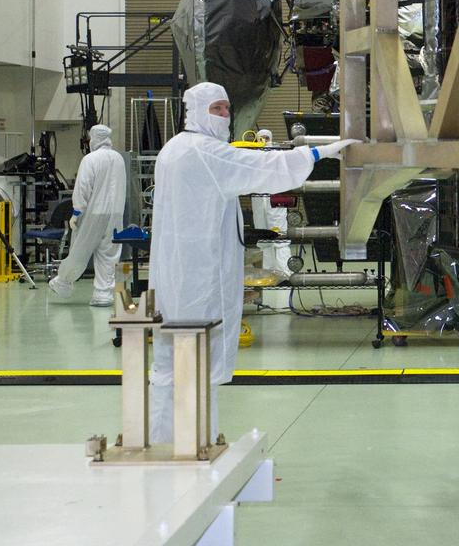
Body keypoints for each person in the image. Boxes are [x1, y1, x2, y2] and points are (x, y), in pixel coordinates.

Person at [148, 82, 355, 443]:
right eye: (218, 109)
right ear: (195, 110)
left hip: (175, 272)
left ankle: (165, 441)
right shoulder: (203, 151)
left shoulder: (175, 148)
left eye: (228, 108)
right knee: (196, 360)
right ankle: (192, 444)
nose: (226, 116)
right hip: (198, 275)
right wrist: (319, 154)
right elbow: (261, 167)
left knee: (171, 364)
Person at [48, 124, 127, 307]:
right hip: (115, 213)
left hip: (93, 213)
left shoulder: (90, 159)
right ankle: (103, 294)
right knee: (109, 253)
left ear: (94, 138)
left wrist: (76, 212)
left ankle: (64, 282)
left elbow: (83, 187)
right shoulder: (119, 159)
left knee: (80, 249)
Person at [251, 128, 293, 279]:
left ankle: (285, 274)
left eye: (266, 138)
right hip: (258, 201)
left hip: (275, 200)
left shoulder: (278, 154)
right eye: (261, 138)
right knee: (264, 239)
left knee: (279, 238)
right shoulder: (253, 155)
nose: (263, 140)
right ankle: (267, 273)